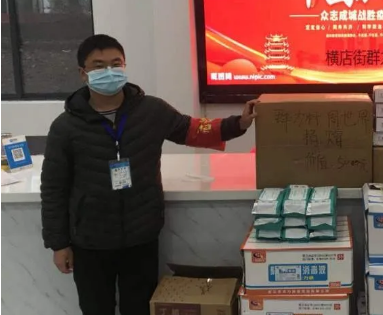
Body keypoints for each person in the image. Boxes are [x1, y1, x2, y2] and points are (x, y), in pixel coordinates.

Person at [40, 34, 258, 315]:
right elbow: (53, 188)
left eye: (116, 64)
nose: (109, 72)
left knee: (139, 309)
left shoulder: (151, 110)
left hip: (141, 236)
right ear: (83, 73)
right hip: (90, 241)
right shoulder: (65, 127)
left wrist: (239, 123)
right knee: (95, 309)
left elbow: (194, 130)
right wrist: (59, 244)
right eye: (99, 66)